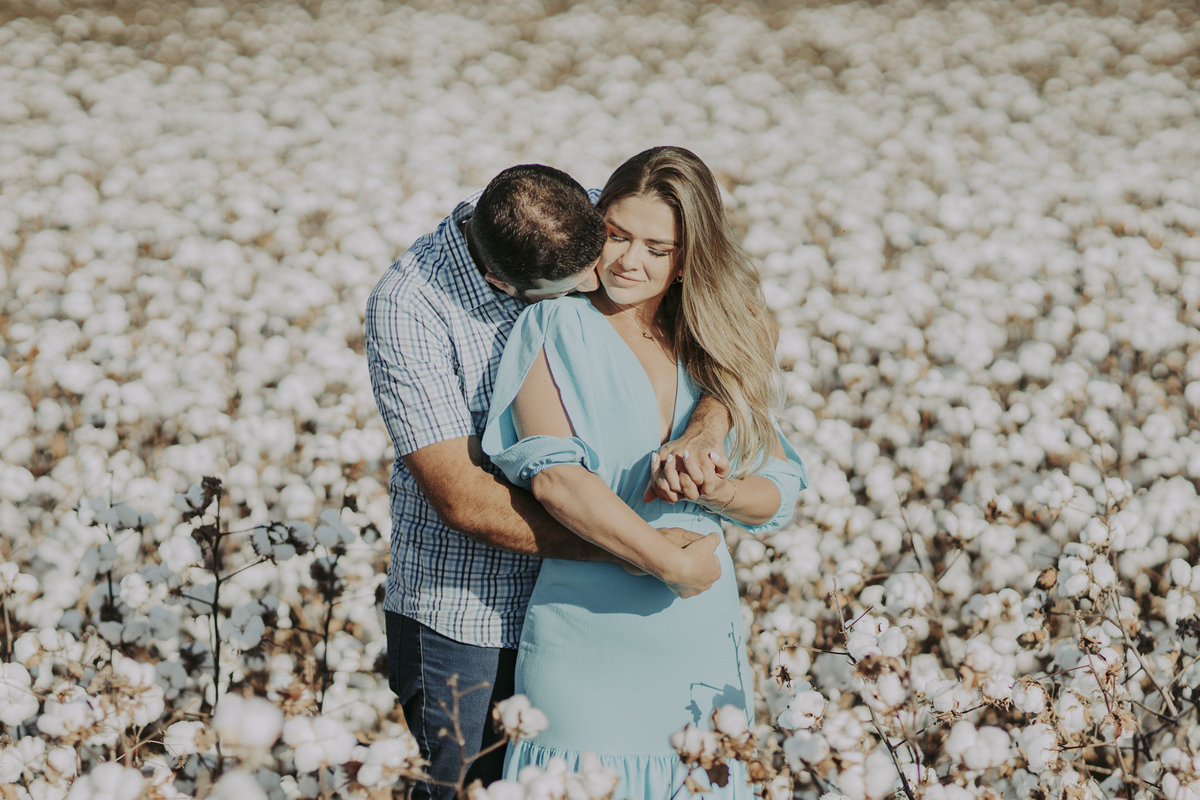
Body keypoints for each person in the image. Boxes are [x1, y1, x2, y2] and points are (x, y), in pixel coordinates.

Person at [364, 163, 731, 799]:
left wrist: (705, 424)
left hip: (587, 617)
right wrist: (637, 551)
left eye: (605, 250)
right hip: (471, 619)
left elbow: (735, 321)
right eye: (575, 285)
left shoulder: (594, 219)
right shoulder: (410, 307)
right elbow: (462, 497)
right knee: (469, 790)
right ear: (504, 283)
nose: (607, 279)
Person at [481, 146, 807, 798]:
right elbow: (555, 479)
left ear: (687, 258)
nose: (630, 261)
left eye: (658, 248)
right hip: (587, 632)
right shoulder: (552, 324)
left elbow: (778, 495)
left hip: (700, 640)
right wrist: (669, 562)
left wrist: (715, 485)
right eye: (617, 235)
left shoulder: (713, 348)